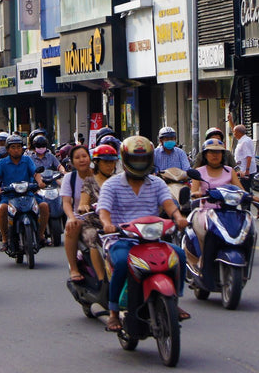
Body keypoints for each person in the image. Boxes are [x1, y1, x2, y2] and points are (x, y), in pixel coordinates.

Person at [98, 135, 189, 332]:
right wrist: (107, 224)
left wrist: (178, 217)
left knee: (179, 255)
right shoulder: (111, 185)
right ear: (125, 159)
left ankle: (174, 298)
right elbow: (103, 210)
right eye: (135, 159)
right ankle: (113, 312)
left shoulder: (156, 183)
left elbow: (169, 204)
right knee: (122, 263)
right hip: (121, 239)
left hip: (151, 239)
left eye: (143, 159)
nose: (139, 163)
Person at [63, 144, 114, 284]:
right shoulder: (73, 179)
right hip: (86, 216)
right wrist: (73, 216)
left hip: (113, 218)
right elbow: (67, 202)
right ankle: (76, 269)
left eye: (84, 156)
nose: (82, 160)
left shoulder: (116, 180)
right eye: (77, 157)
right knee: (76, 227)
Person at [0, 134, 48, 252]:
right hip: (9, 195)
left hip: (28, 194)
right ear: (8, 149)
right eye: (13, 147)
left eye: (18, 147)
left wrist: (40, 182)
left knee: (44, 206)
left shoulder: (27, 160)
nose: (16, 150)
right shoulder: (2, 162)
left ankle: (41, 235)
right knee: (2, 208)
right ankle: (5, 239)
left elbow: (35, 173)